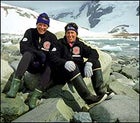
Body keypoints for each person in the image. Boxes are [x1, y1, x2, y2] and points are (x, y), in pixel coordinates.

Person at [49, 22, 112, 108]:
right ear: (65, 34)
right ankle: (88, 99)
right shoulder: (59, 43)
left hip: (76, 73)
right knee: (73, 66)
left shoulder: (80, 44)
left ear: (76, 34)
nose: (70, 35)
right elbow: (52, 57)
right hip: (62, 74)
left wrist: (89, 63)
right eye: (68, 33)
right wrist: (64, 63)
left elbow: (93, 52)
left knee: (95, 62)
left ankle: (100, 92)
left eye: (72, 33)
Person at [6, 13, 58, 109]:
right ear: (37, 24)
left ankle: (35, 96)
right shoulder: (30, 32)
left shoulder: (52, 37)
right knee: (27, 54)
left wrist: (46, 57)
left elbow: (55, 53)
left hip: (43, 67)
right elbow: (23, 47)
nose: (42, 27)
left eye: (44, 25)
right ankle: (14, 88)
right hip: (31, 65)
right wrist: (38, 53)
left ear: (47, 26)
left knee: (51, 65)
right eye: (40, 24)